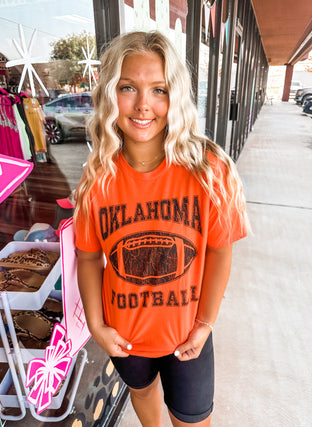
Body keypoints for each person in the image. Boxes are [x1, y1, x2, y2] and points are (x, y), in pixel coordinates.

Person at [74, 31, 248, 427]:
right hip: (126, 339)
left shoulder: (208, 169)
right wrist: (97, 325)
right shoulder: (97, 177)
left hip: (189, 337)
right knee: (143, 393)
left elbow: (220, 250)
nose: (142, 105)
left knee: (192, 418)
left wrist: (204, 324)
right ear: (108, 94)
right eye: (127, 88)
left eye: (159, 89)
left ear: (177, 97)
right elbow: (88, 257)